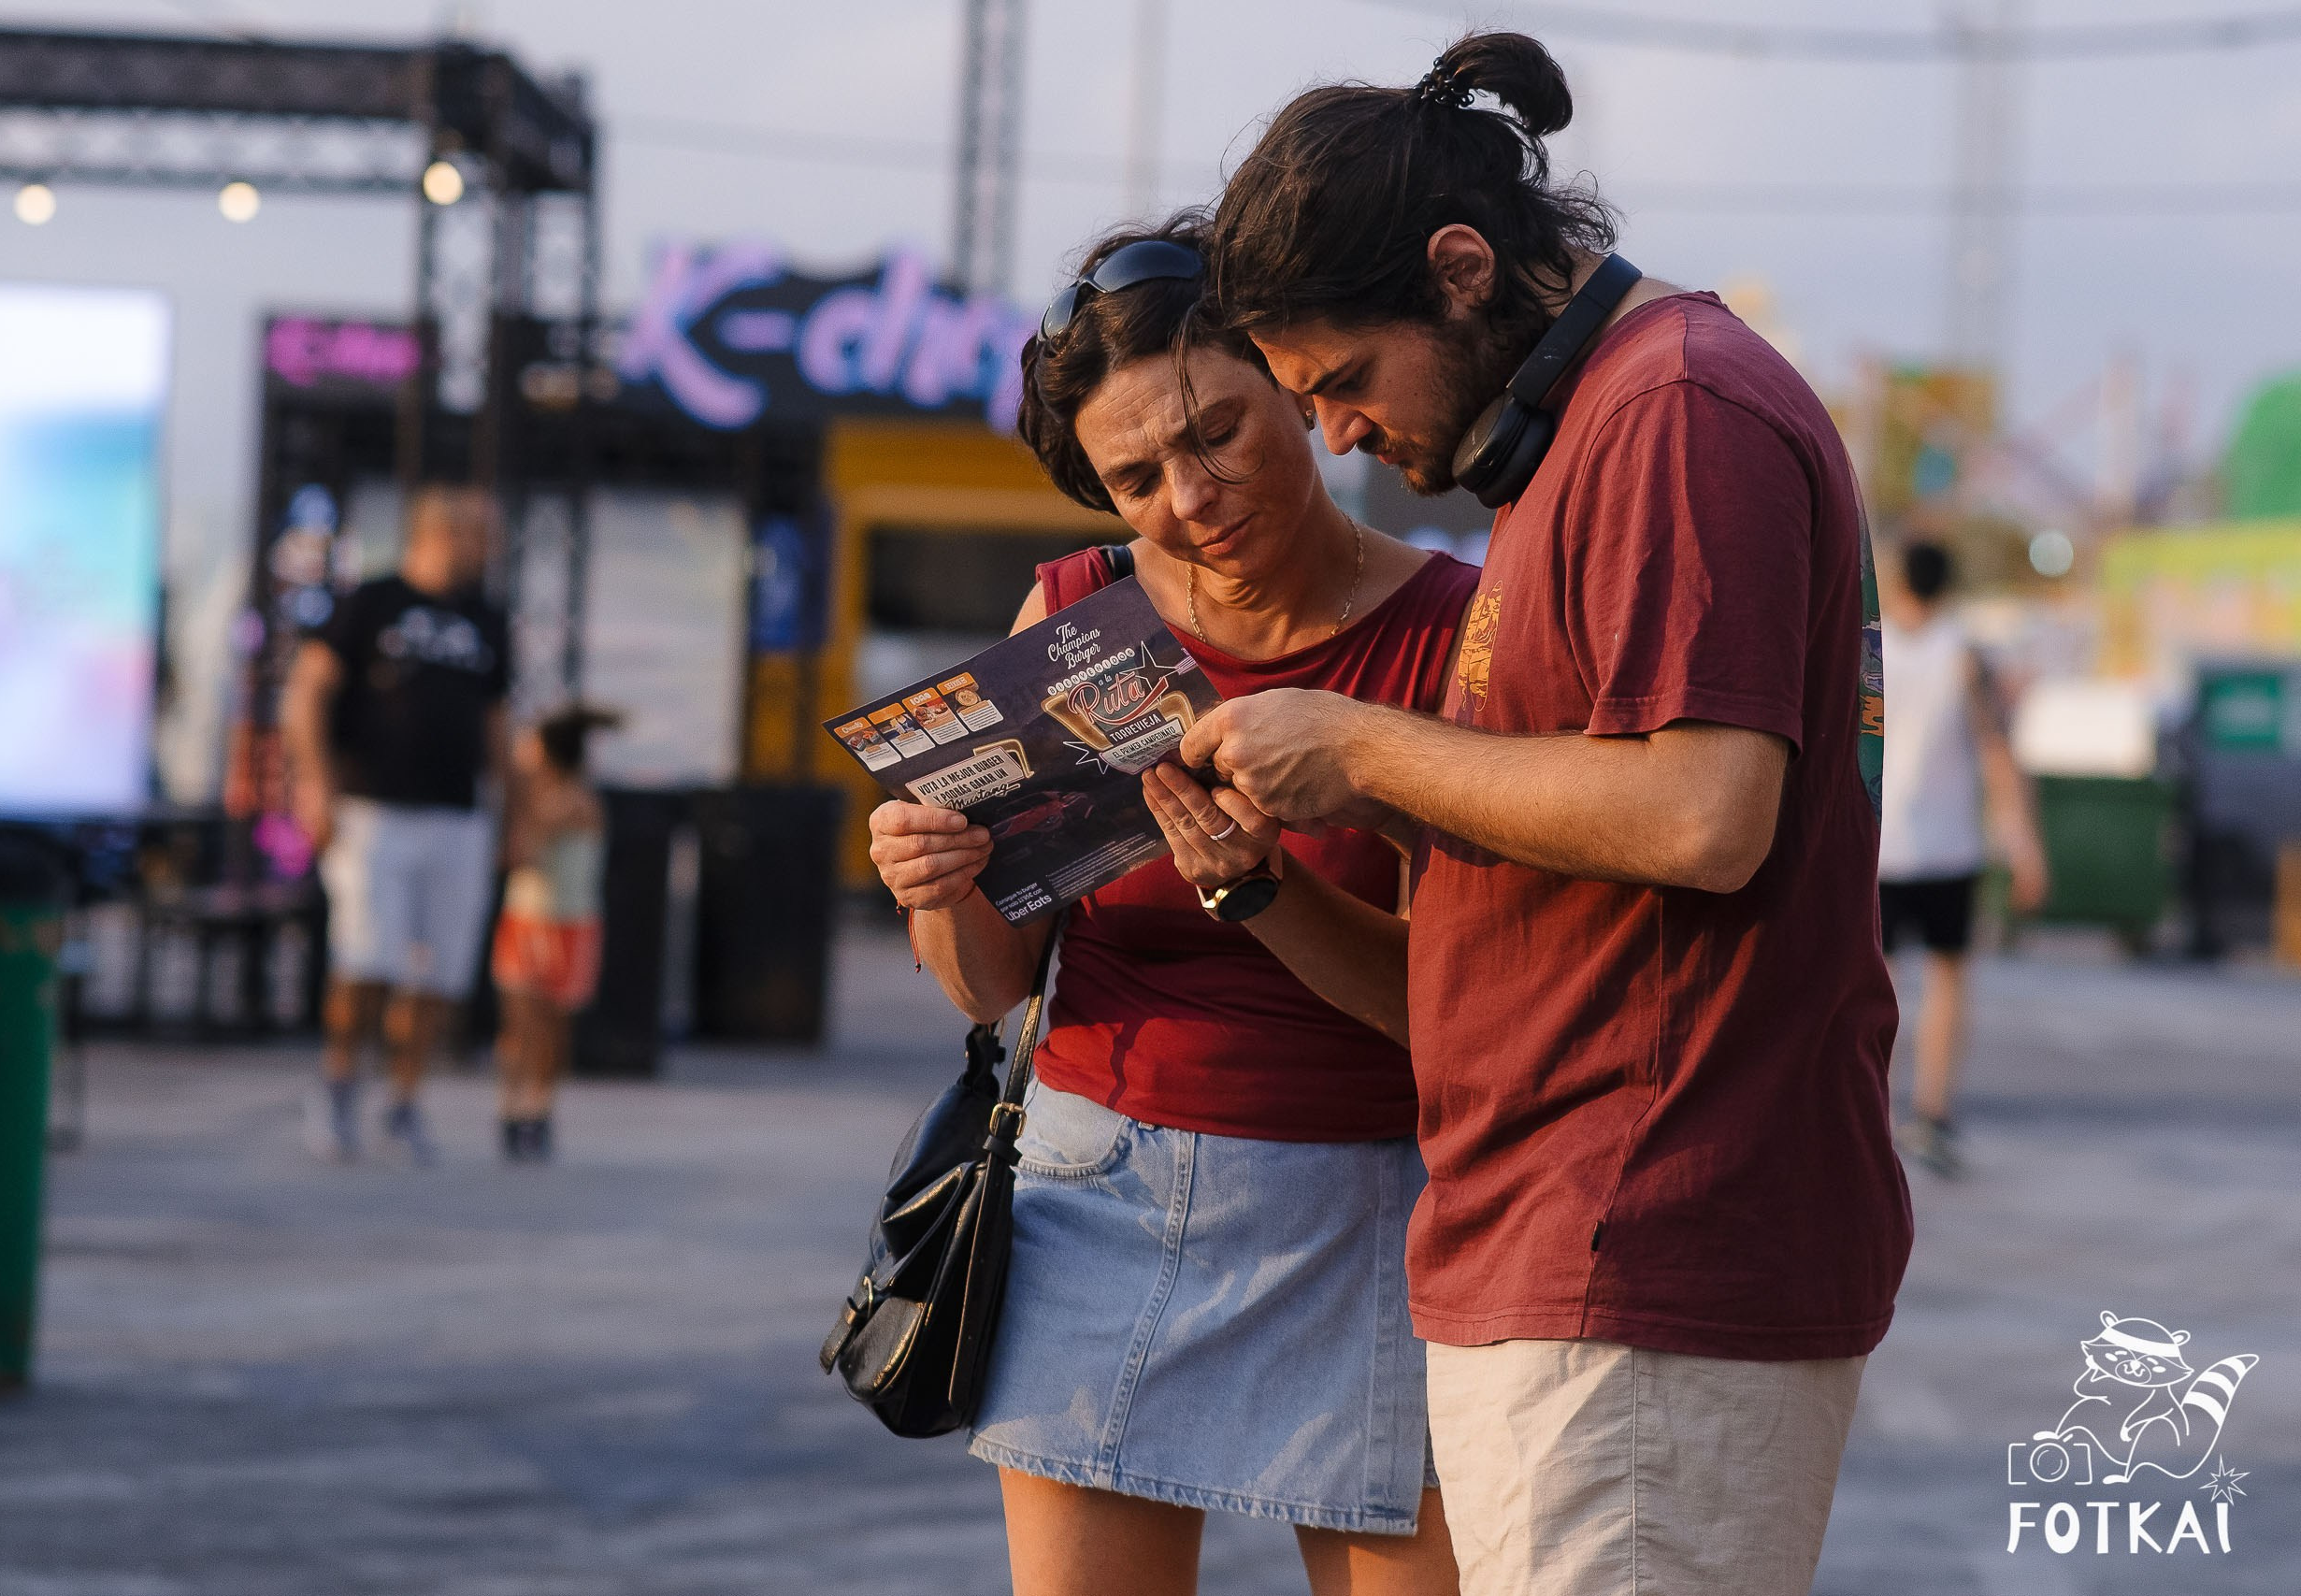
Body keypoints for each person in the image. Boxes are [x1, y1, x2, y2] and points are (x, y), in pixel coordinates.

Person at [1186, 34, 1914, 1596]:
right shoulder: (1580, 437)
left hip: (1645, 1248)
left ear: (1463, 271)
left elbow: (1707, 813)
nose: (1333, 436)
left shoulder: (1676, 414)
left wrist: (1363, 748)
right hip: (1564, 1254)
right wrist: (1262, 891)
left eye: (1341, 383)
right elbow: (1506, 962)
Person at [868, 217, 1477, 1596]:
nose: (1190, 496)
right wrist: (941, 885)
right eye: (1133, 476)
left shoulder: (1453, 631)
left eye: (1218, 432)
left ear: (1296, 385)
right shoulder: (1076, 613)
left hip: (1378, 1203)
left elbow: (1453, 1012)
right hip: (1100, 1184)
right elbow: (990, 983)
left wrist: (1260, 890)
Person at [282, 486, 511, 1167]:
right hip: (371, 808)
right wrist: (314, 783)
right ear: (441, 531)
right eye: (480, 533)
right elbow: (307, 690)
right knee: (367, 956)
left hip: (456, 813)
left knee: (440, 970)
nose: (489, 548)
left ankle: (405, 1099)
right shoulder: (372, 601)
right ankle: (340, 1081)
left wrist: (514, 812)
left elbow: (498, 723)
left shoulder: (486, 619)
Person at [1878, 539, 2048, 1178]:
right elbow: (1998, 753)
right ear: (1948, 585)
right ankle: (1933, 1111)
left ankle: (1876, 1110)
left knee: (1882, 981)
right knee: (1948, 979)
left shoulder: (1870, 652)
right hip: (1949, 848)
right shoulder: (1965, 656)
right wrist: (2026, 846)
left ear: (1900, 582)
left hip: (1880, 845)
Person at [491, 704, 618, 1163]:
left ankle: (533, 1107)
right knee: (523, 1025)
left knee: (546, 1027)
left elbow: (518, 852)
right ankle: (517, 1106)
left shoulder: (568, 802)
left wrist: (512, 791)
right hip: (530, 919)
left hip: (566, 926)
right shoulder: (556, 799)